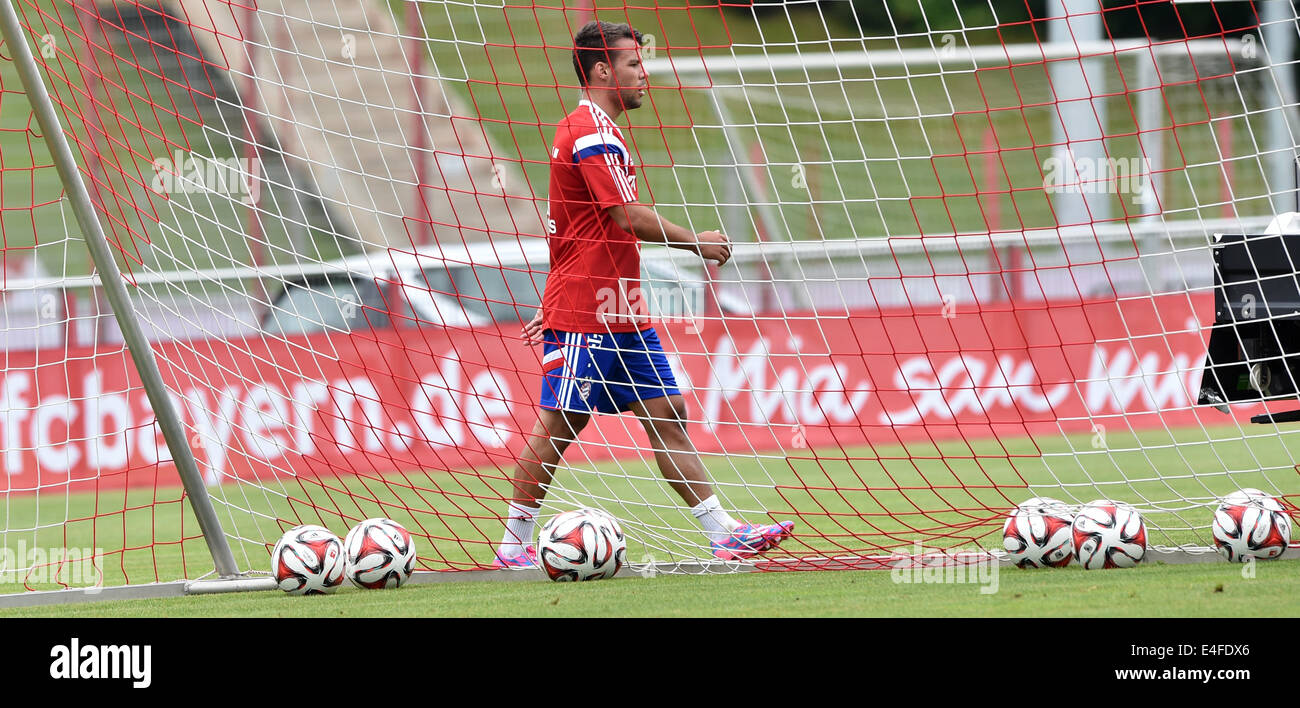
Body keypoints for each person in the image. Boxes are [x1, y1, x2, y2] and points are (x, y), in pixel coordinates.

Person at [492, 20, 794, 568]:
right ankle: (512, 546)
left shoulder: (596, 129)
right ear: (603, 69)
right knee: (560, 426)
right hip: (589, 313)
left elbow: (573, 228)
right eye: (634, 64)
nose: (644, 74)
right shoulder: (590, 131)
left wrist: (550, 297)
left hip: (619, 310)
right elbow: (622, 215)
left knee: (668, 413)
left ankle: (723, 532)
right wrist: (694, 244)